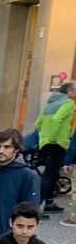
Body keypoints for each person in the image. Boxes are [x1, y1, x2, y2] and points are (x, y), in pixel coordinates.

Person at [33, 82, 75, 214]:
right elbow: (57, 119)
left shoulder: (50, 103)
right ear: (70, 91)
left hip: (44, 143)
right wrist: (53, 138)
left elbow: (38, 124)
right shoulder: (69, 103)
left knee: (51, 173)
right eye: (75, 90)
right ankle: (35, 208)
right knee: (50, 176)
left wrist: (46, 137)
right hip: (57, 143)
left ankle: (49, 203)